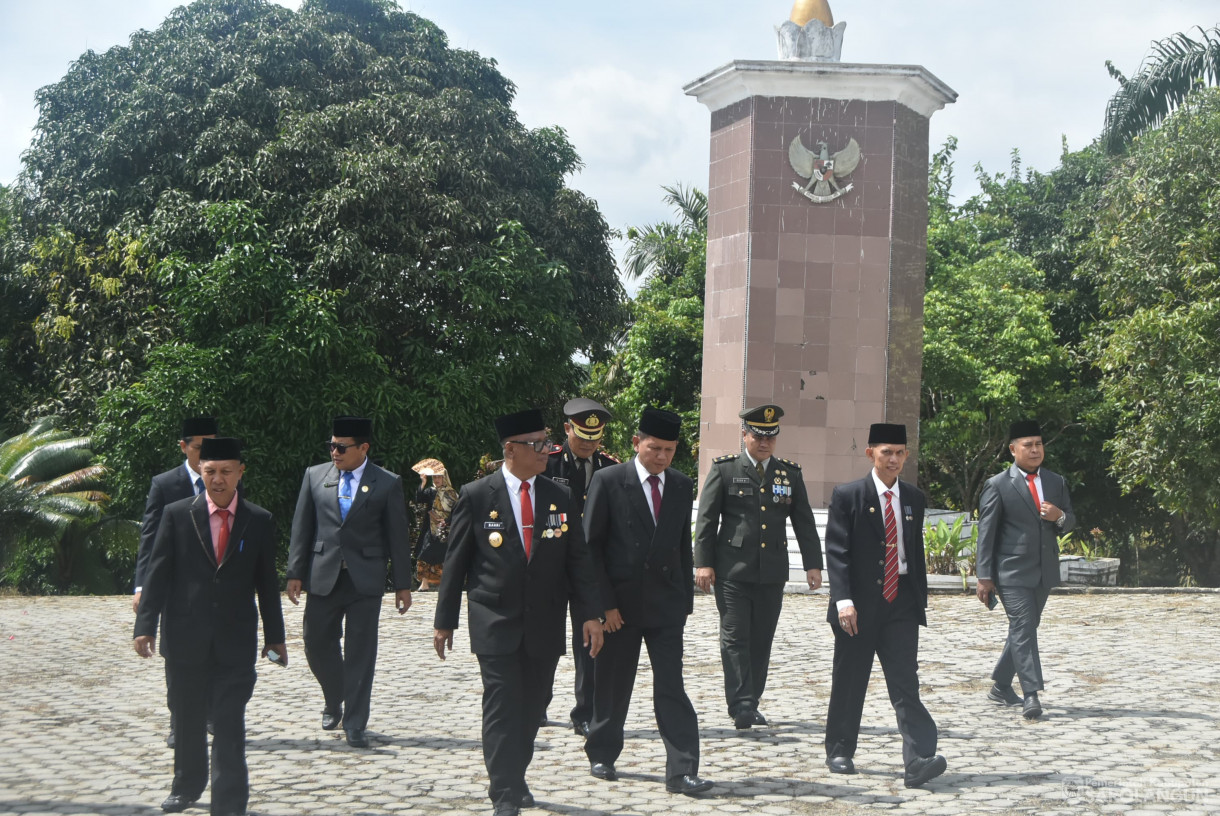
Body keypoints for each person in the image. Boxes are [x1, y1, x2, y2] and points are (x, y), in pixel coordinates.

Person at [433, 408, 604, 816]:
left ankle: (515, 774)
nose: (547, 449)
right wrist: (445, 621)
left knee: (532, 707)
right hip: (494, 620)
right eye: (537, 443)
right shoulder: (477, 496)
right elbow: (455, 563)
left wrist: (591, 614)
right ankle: (504, 793)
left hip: (544, 621)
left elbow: (577, 561)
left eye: (547, 441)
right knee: (502, 704)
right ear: (510, 449)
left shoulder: (559, 495)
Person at [134, 437, 286, 816]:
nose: (218, 479)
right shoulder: (177, 514)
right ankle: (185, 787)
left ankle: (230, 802)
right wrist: (145, 625)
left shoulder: (259, 520)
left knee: (230, 721)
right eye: (210, 472)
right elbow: (158, 573)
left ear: (240, 473)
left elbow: (267, 584)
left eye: (225, 472)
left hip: (234, 641)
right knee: (186, 718)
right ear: (201, 472)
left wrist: (276, 638)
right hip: (185, 637)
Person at [583, 408, 713, 797]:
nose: (661, 457)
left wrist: (685, 603)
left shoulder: (679, 484)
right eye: (654, 448)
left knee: (672, 686)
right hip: (618, 608)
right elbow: (591, 548)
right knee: (612, 682)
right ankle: (603, 752)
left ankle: (682, 769)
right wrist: (604, 606)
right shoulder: (608, 480)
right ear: (636, 443)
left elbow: (679, 547)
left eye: (669, 451)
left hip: (666, 606)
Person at [823, 423, 946, 788]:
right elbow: (837, 552)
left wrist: (919, 597)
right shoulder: (849, 495)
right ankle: (840, 749)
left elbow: (914, 550)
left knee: (905, 682)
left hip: (901, 601)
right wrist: (843, 600)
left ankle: (919, 759)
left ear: (906, 455)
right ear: (870, 454)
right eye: (885, 453)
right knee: (850, 679)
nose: (893, 459)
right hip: (858, 606)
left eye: (899, 453)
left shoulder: (913, 497)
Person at [694, 404, 823, 729]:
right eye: (757, 436)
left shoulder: (788, 474)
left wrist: (813, 564)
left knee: (761, 638)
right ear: (744, 435)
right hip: (732, 571)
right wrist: (703, 563)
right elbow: (707, 520)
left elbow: (804, 521)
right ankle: (741, 705)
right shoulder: (725, 469)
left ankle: (751, 699)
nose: (764, 442)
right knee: (735, 636)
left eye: (770, 437)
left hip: (771, 572)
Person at [286, 416, 412, 748]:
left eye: (341, 447)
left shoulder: (386, 482)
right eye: (331, 445)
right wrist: (295, 573)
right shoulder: (315, 476)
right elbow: (302, 528)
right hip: (323, 575)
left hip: (364, 580)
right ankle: (334, 698)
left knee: (360, 652)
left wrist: (402, 584)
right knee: (315, 643)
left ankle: (355, 722)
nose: (334, 452)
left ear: (363, 448)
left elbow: (397, 536)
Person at [975, 420, 1076, 720]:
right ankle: (1031, 694)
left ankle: (1001, 686)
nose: (1035, 450)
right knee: (1022, 625)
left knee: (1027, 627)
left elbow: (1070, 520)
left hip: (1043, 571)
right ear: (1013, 449)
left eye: (1039, 444)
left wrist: (1059, 517)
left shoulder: (1056, 481)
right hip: (1010, 572)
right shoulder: (998, 485)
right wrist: (984, 576)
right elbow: (986, 533)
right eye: (1028, 445)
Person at [132, 416, 219, 749]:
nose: (206, 455)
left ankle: (210, 713)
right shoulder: (165, 484)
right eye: (199, 448)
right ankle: (179, 721)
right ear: (184, 447)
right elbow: (149, 539)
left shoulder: (227, 480)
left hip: (216, 583)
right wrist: (143, 586)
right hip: (177, 585)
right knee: (178, 656)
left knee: (215, 651)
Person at [543, 397, 619, 736]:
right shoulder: (547, 464)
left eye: (594, 437)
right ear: (567, 430)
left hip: (590, 569)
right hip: (551, 566)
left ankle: (584, 712)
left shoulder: (610, 468)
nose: (587, 444)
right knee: (543, 640)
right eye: (581, 436)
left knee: (591, 641)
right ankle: (536, 702)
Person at [411, 458, 457, 591]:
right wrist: (423, 482)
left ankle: (444, 583)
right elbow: (419, 498)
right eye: (434, 477)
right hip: (430, 529)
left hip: (446, 529)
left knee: (444, 556)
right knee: (425, 553)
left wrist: (447, 521)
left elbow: (457, 511)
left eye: (439, 477)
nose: (437, 480)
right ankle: (424, 583)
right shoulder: (431, 491)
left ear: (444, 477)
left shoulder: (452, 494)